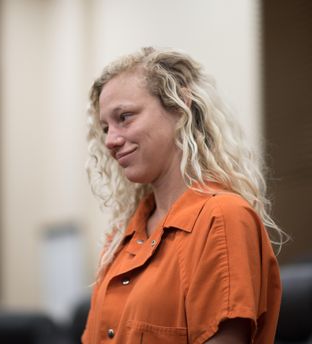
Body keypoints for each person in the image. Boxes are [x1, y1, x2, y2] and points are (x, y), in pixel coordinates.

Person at [82, 47, 285, 343]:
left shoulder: (222, 218)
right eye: (105, 128)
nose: (111, 140)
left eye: (124, 117)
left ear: (180, 107)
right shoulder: (121, 239)